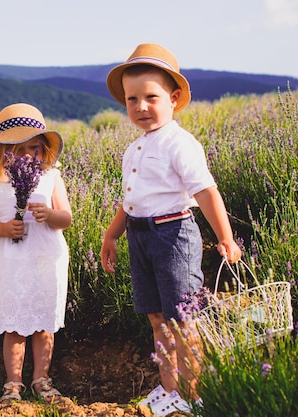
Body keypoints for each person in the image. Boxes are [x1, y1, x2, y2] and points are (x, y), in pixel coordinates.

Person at [99, 44, 242, 415]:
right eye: (132, 99)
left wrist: (225, 237)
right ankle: (169, 389)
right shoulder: (135, 148)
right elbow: (131, 201)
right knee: (157, 319)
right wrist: (112, 235)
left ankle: (196, 396)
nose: (141, 107)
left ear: (174, 98)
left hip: (173, 236)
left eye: (151, 97)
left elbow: (206, 192)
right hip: (140, 235)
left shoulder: (180, 144)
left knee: (183, 319)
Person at [0, 103, 73, 403]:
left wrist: (50, 214)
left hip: (45, 256)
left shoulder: (52, 177)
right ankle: (13, 384)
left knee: (43, 323)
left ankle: (41, 379)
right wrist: (5, 229)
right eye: (25, 149)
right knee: (14, 324)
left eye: (37, 149)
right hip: (10, 261)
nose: (32, 155)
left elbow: (66, 218)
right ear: (7, 151)